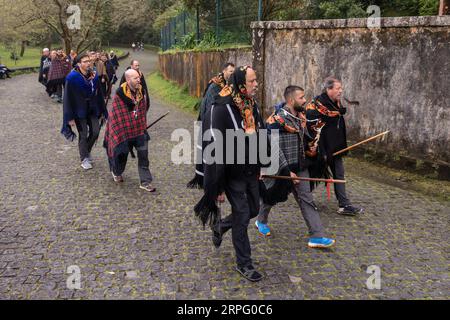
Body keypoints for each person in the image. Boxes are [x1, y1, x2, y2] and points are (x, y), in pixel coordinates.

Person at [194, 66, 266, 282]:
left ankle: (221, 225)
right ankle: (244, 263)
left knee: (253, 209)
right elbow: (213, 146)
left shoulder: (250, 104)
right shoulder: (221, 107)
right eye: (252, 81)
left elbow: (260, 132)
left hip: (251, 170)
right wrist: (216, 185)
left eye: (256, 81)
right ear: (241, 84)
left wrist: (263, 165)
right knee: (243, 214)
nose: (256, 84)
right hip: (232, 173)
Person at [258, 85, 335, 248]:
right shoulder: (275, 121)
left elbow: (305, 138)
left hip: (300, 165)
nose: (305, 100)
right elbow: (274, 150)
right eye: (301, 97)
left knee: (306, 199)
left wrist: (314, 148)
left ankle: (316, 236)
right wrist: (287, 172)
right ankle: (261, 220)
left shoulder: (301, 116)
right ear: (291, 100)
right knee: (272, 195)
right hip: (281, 168)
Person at [305, 77, 364, 216]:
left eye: (340, 88)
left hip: (336, 149)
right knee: (312, 174)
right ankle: (304, 199)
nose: (340, 91)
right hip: (320, 150)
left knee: (339, 174)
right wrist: (322, 151)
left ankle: (344, 204)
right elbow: (314, 131)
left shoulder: (336, 104)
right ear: (329, 89)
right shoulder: (317, 107)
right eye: (338, 88)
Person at [103, 69, 155, 192]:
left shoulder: (141, 92)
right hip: (123, 132)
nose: (139, 80)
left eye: (139, 78)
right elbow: (116, 117)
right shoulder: (119, 95)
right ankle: (116, 171)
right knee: (121, 155)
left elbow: (142, 111)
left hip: (139, 131)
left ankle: (145, 181)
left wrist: (142, 126)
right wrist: (122, 132)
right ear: (127, 80)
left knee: (144, 156)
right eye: (135, 78)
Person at [187, 62, 235, 189]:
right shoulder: (215, 85)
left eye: (233, 72)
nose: (232, 73)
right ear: (224, 71)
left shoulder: (229, 85)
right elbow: (209, 104)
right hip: (210, 121)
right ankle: (208, 177)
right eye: (230, 71)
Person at [61, 53, 107, 170]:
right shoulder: (72, 78)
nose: (88, 63)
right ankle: (84, 158)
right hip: (78, 111)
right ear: (78, 63)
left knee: (95, 132)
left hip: (92, 109)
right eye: (85, 61)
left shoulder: (94, 76)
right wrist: (69, 117)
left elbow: (99, 94)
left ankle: (86, 151)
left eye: (89, 61)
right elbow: (67, 98)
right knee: (83, 133)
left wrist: (102, 110)